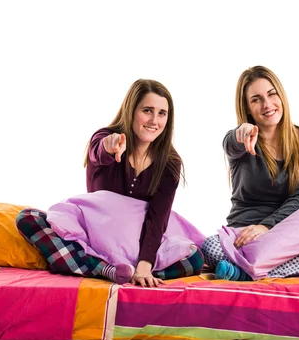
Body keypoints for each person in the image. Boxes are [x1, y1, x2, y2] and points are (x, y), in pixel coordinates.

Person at [16, 79, 203, 288]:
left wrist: (144, 265)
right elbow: (98, 153)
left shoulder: (170, 162)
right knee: (27, 218)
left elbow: (158, 218)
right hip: (94, 239)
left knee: (195, 258)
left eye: (162, 113)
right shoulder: (104, 137)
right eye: (147, 110)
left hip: (136, 247)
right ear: (131, 110)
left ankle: (124, 271)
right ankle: (101, 268)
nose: (154, 120)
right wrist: (109, 145)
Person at [201, 65, 299, 280]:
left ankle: (247, 272)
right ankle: (266, 267)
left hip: (287, 232)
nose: (267, 104)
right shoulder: (241, 141)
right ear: (248, 108)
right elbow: (231, 144)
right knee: (209, 246)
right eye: (256, 99)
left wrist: (267, 226)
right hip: (244, 234)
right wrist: (239, 133)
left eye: (271, 94)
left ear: (281, 96)